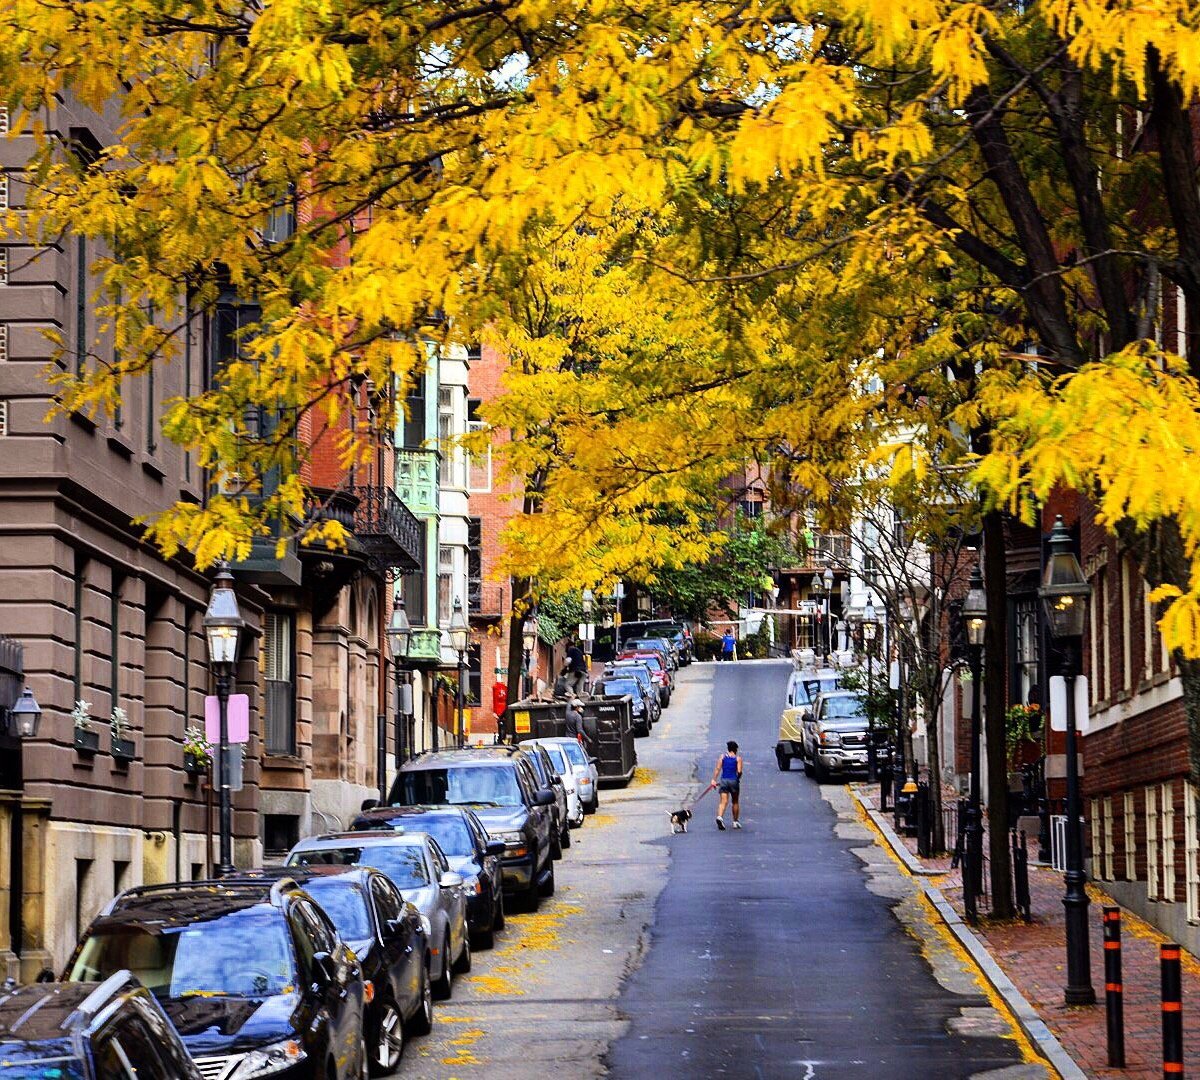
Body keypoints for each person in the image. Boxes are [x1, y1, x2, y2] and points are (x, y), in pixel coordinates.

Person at [712, 740, 743, 830]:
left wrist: (714, 780)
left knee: (723, 801)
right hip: (733, 780)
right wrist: (738, 777)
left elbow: (718, 768)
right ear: (735, 749)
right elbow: (739, 771)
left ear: (728, 749)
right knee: (735, 801)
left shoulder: (722, 757)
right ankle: (735, 822)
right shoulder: (738, 759)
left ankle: (720, 817)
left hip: (724, 781)